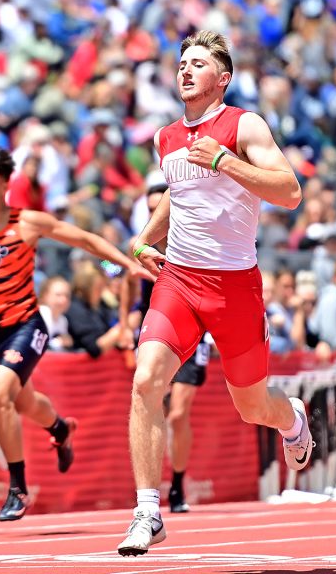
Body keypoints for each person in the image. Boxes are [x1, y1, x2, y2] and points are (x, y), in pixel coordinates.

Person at [119, 30, 311, 556]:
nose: (185, 70)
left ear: (221, 79)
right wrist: (142, 241)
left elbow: (290, 192)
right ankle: (147, 511)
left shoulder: (243, 124)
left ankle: (291, 418)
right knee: (145, 380)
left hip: (234, 286)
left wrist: (224, 161)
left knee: (252, 407)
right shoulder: (165, 138)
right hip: (179, 280)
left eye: (197, 63)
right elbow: (179, 198)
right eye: (181, 62)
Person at [0, 146, 154, 522]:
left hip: (26, 325)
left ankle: (17, 489)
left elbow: (87, 242)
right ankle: (59, 427)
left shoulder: (28, 223)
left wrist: (123, 266)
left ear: (6, 183)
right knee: (23, 403)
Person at [122, 177, 210, 515]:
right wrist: (124, 316)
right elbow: (112, 268)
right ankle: (149, 493)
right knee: (150, 400)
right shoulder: (140, 241)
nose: (155, 214)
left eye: (161, 208)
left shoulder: (191, 241)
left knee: (178, 413)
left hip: (194, 327)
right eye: (149, 209)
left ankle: (177, 483)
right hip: (156, 327)